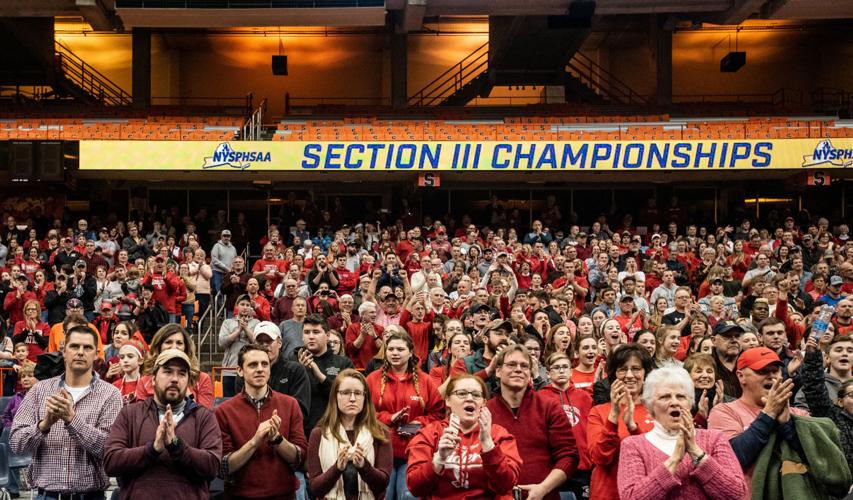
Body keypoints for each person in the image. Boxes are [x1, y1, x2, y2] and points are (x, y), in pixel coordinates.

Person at [11, 325, 123, 500]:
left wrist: (72, 420)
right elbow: (16, 444)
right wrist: (44, 425)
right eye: (74, 346)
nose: (80, 352)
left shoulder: (111, 394)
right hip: (46, 495)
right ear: (63, 351)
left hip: (91, 495)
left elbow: (109, 450)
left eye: (87, 348)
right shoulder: (40, 390)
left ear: (96, 354)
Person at [104, 349, 222, 499]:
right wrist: (151, 450)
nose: (174, 379)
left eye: (182, 373)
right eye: (167, 372)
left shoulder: (204, 417)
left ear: (188, 381)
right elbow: (111, 461)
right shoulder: (130, 414)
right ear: (153, 379)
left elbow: (212, 466)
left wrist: (176, 446)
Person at [617, 367, 746, 499]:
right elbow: (630, 497)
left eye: (681, 396)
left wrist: (696, 452)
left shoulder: (715, 439)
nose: (674, 402)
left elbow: (736, 493)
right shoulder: (633, 445)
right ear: (650, 406)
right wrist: (674, 461)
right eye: (665, 397)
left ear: (690, 403)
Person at [215, 343, 309, 499]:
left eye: (264, 364)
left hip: (283, 496)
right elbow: (223, 467)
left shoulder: (290, 404)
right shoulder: (223, 411)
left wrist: (278, 440)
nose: (260, 369)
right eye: (252, 365)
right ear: (239, 371)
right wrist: (254, 441)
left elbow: (300, 458)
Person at [406, 374, 521, 499]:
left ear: (483, 402)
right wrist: (439, 459)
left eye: (476, 395)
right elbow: (415, 487)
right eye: (462, 393)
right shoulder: (429, 433)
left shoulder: (498, 434)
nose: (470, 398)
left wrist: (488, 444)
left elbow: (506, 485)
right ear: (448, 400)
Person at [487, 344, 579, 500]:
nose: (518, 369)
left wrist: (543, 488)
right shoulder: (485, 412)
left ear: (530, 373)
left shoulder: (549, 407)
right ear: (497, 371)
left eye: (524, 366)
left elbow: (568, 456)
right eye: (511, 364)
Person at [365, 331, 444, 500]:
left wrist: (414, 426)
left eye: (400, 349)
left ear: (410, 353)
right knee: (383, 496)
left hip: (414, 451)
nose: (394, 353)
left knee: (408, 496)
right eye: (391, 349)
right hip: (380, 449)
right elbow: (364, 413)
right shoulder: (372, 379)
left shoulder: (425, 380)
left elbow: (438, 414)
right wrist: (389, 419)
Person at [307, 369, 393, 500]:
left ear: (365, 397)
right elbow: (315, 488)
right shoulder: (319, 434)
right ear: (335, 396)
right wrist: (337, 468)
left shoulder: (381, 433)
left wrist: (363, 465)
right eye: (346, 393)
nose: (352, 399)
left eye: (358, 393)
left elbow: (382, 485)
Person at [587, 344, 656, 500]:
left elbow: (656, 459)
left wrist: (632, 427)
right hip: (607, 495)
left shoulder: (658, 411)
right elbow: (600, 458)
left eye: (636, 368)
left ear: (646, 374)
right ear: (614, 375)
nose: (629, 375)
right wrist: (613, 416)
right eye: (622, 369)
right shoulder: (598, 412)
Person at [539, 352, 593, 499]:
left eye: (565, 367)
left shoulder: (585, 397)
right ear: (548, 373)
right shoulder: (540, 398)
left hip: (582, 467)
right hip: (554, 467)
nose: (561, 370)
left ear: (571, 372)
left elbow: (590, 429)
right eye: (556, 368)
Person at [802, 334, 853, 477]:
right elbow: (815, 390)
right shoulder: (834, 418)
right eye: (852, 395)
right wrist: (813, 356)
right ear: (840, 402)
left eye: (850, 350)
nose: (845, 353)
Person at [238, 321, 311, 418]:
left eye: (269, 340)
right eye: (260, 341)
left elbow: (300, 411)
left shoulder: (295, 371)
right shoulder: (245, 373)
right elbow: (240, 410)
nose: (264, 345)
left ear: (280, 343)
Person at [135, 324, 214, 409]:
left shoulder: (202, 379)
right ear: (159, 347)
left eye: (179, 343)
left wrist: (187, 395)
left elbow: (205, 417)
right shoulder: (144, 381)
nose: (174, 347)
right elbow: (141, 416)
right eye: (168, 342)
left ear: (185, 348)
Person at [219, 294, 261, 398]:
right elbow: (222, 343)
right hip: (230, 370)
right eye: (242, 304)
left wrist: (246, 329)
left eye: (247, 305)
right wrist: (238, 331)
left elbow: (259, 345)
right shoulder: (227, 323)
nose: (245, 307)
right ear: (237, 306)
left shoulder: (256, 323)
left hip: (250, 370)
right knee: (229, 401)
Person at [113, 340, 145, 405]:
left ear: (140, 361)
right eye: (122, 357)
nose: (125, 360)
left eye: (130, 356)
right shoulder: (114, 386)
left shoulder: (146, 384)